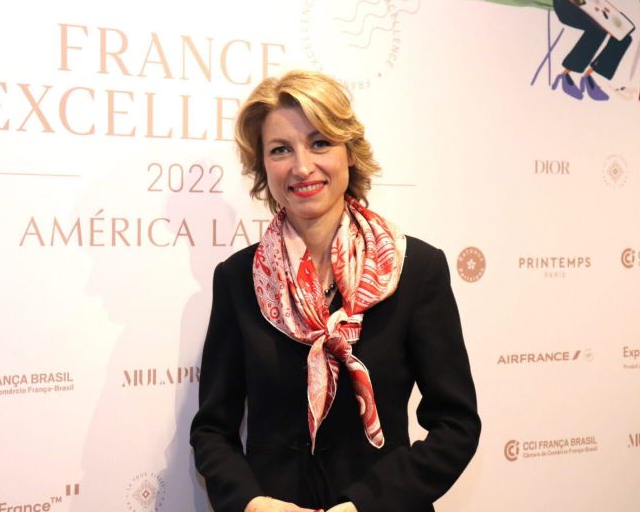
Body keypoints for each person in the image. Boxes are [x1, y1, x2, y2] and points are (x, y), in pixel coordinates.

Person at [190, 70, 480, 512]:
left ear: (350, 153)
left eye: (320, 143)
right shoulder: (238, 278)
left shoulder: (415, 269)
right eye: (281, 149)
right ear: (263, 166)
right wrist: (252, 503)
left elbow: (456, 426)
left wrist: (366, 506)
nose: (302, 166)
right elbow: (212, 430)